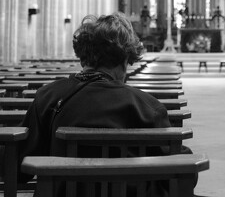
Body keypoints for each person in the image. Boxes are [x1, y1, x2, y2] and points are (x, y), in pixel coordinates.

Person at [17, 12, 171, 179]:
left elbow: (15, 168)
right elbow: (175, 174)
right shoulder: (147, 108)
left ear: (83, 57)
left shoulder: (48, 97)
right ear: (124, 60)